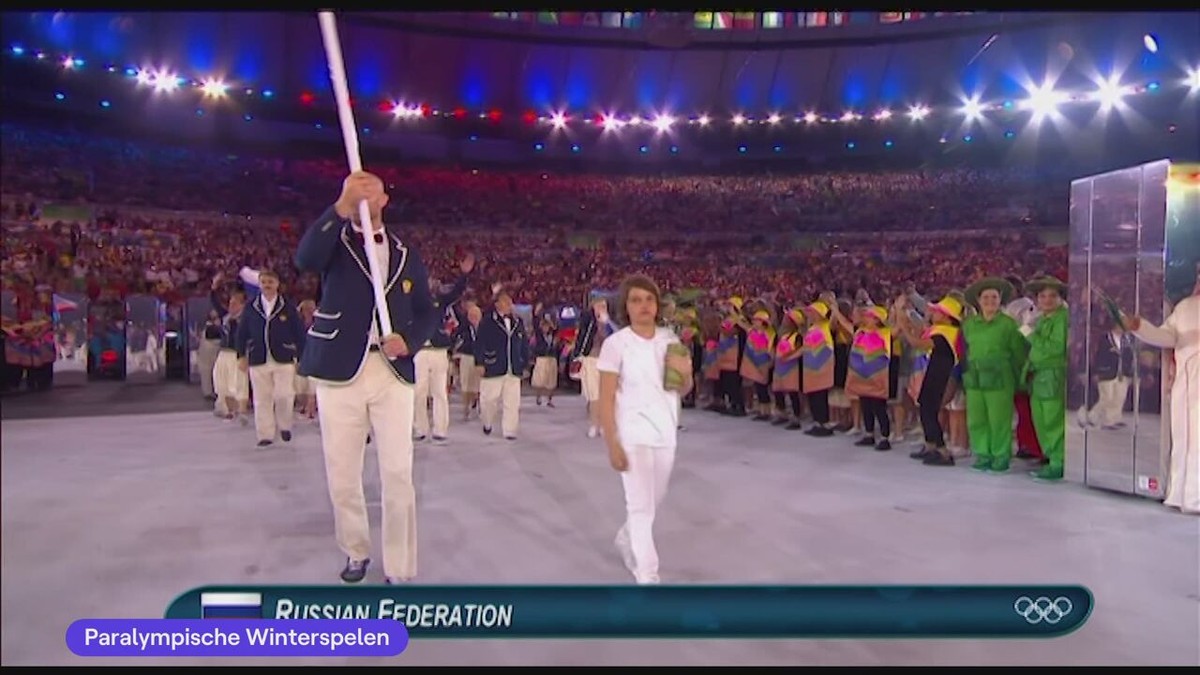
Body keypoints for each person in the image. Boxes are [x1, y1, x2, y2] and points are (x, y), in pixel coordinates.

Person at [295, 170, 439, 584]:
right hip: (340, 370)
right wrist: (339, 207)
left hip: (392, 373)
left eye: (371, 189)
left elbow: (428, 310)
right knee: (343, 472)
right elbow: (304, 260)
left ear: (385, 199)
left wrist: (409, 341)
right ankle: (355, 550)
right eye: (355, 188)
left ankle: (400, 566)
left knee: (398, 473)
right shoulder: (334, 243)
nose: (363, 193)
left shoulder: (407, 253)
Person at [598, 273, 693, 584]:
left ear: (657, 304)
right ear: (626, 306)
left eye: (649, 299)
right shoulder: (616, 344)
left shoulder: (671, 341)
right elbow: (606, 397)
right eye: (636, 300)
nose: (643, 305)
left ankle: (626, 538)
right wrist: (612, 443)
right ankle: (647, 575)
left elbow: (683, 389)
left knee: (654, 500)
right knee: (641, 508)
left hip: (666, 432)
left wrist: (686, 374)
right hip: (632, 435)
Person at [1123, 269, 1199, 514]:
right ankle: (1180, 494)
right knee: (1182, 439)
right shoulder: (1186, 307)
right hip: (1185, 386)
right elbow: (1166, 337)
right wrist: (1139, 326)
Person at [962, 277, 1028, 472]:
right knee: (976, 419)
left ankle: (1000, 455)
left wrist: (1020, 379)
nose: (990, 301)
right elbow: (965, 351)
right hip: (975, 378)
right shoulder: (969, 325)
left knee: (999, 419)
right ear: (978, 300)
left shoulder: (1009, 324)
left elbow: (1018, 353)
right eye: (986, 297)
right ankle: (982, 454)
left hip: (1001, 377)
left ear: (1000, 300)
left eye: (994, 297)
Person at [236, 270, 306, 447]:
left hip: (283, 356)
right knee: (261, 398)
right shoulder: (251, 307)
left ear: (277, 284)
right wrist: (241, 355)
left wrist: (302, 358)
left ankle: (284, 425)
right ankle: (265, 434)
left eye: (270, 282)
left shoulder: (287, 306)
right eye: (264, 282)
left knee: (284, 395)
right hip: (258, 357)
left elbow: (299, 333)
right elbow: (242, 333)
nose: (267, 285)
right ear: (259, 284)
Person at [1021, 276, 1069, 482]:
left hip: (1053, 375)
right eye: (1042, 296)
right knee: (1041, 420)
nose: (1047, 300)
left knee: (1053, 421)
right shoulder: (1042, 320)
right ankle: (1051, 459)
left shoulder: (1063, 318)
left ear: (1060, 299)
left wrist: (1028, 332)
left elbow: (1055, 348)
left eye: (1052, 296)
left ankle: (1059, 462)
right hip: (1038, 377)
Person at [474, 291, 529, 440]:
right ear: (497, 304)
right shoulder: (487, 321)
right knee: (488, 401)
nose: (509, 305)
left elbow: (523, 343)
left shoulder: (518, 322)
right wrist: (479, 362)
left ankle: (510, 430)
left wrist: (525, 362)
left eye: (510, 302)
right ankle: (487, 421)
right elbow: (479, 343)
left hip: (513, 368)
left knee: (512, 402)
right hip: (493, 366)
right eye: (505, 302)